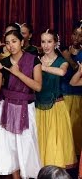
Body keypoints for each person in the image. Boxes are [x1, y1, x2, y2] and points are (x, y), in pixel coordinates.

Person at [0, 29, 42, 179]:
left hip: (26, 107)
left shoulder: (34, 60)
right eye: (7, 43)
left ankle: (27, 175)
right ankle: (16, 177)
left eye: (14, 41)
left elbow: (38, 87)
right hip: (7, 106)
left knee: (26, 144)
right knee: (10, 146)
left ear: (22, 42)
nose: (10, 46)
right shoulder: (3, 63)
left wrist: (18, 73)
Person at [36, 29, 77, 168]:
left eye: (49, 41)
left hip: (56, 106)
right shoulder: (36, 59)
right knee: (40, 140)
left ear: (55, 43)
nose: (46, 45)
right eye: (43, 42)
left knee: (54, 140)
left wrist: (41, 67)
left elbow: (61, 71)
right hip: (38, 106)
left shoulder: (61, 61)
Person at [61, 20, 82, 154]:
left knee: (76, 128)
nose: (77, 38)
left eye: (80, 36)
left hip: (78, 96)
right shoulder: (63, 50)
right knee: (65, 128)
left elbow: (76, 70)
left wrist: (68, 58)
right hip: (63, 95)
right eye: (75, 34)